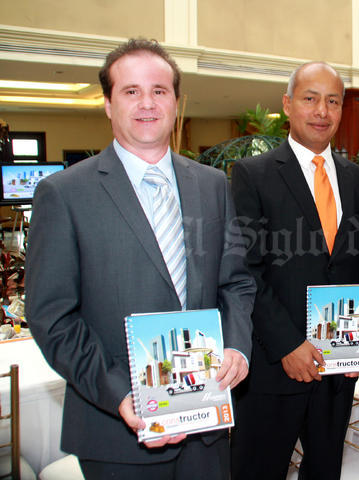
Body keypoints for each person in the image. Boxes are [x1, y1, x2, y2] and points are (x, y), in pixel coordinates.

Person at [26, 38, 255, 479]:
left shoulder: (211, 185)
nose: (146, 103)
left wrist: (237, 348)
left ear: (175, 102)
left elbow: (237, 283)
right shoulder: (64, 194)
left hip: (205, 424)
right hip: (116, 432)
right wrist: (118, 394)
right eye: (131, 91)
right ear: (108, 104)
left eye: (159, 90)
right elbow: (52, 316)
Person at [230, 61, 359, 480]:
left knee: (326, 469)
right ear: (288, 105)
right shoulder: (252, 175)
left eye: (333, 101)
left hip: (338, 365)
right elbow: (247, 270)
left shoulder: (358, 181)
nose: (321, 111)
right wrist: (287, 345)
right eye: (310, 99)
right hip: (274, 366)